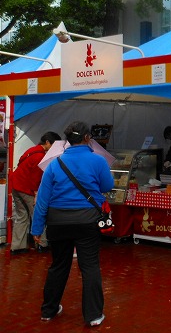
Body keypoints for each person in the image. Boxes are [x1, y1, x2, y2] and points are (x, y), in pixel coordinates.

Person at [31, 121, 114, 327]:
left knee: (58, 265)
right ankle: (93, 315)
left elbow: (42, 200)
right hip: (87, 220)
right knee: (90, 266)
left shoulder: (54, 164)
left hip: (57, 222)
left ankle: (48, 310)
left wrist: (37, 228)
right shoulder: (98, 161)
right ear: (87, 138)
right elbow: (107, 185)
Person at [11, 131, 61, 254]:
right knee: (38, 215)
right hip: (27, 189)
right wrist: (36, 194)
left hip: (16, 185)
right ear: (47, 142)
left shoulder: (31, 150)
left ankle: (17, 247)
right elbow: (36, 178)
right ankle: (42, 244)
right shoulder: (40, 157)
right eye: (53, 145)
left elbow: (20, 162)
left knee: (21, 217)